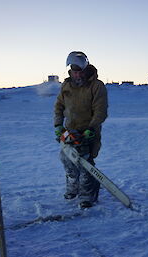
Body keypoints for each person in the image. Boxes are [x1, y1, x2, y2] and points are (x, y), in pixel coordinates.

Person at [54, 51, 108, 209]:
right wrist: (58, 125)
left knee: (85, 164)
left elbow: (101, 110)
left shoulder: (96, 86)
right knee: (67, 160)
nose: (77, 74)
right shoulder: (66, 85)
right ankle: (73, 188)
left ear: (86, 69)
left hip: (88, 131)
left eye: (80, 71)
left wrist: (91, 128)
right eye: (74, 71)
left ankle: (87, 195)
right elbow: (59, 106)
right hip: (70, 130)